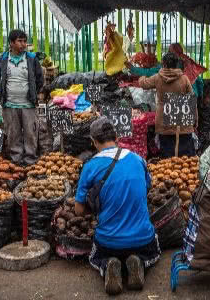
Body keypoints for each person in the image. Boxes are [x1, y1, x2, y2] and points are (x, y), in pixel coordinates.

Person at [74, 117, 160, 296]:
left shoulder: (90, 166)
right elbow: (146, 189)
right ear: (117, 137)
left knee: (98, 256)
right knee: (152, 252)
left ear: (94, 142)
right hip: (141, 239)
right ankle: (139, 262)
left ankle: (108, 266)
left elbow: (78, 211)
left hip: (108, 241)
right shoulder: (138, 159)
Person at [0, 29, 44, 165]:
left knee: (30, 133)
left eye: (24, 41)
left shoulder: (32, 58)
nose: (23, 44)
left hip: (28, 104)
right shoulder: (3, 59)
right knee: (13, 133)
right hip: (9, 104)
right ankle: (16, 160)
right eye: (19, 41)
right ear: (11, 43)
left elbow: (40, 79)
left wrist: (34, 93)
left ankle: (30, 160)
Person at [138, 52, 196, 158]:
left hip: (164, 123)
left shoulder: (157, 78)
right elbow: (191, 100)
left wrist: (142, 77)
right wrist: (195, 120)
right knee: (185, 158)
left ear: (163, 64)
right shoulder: (184, 79)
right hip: (182, 123)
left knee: (167, 156)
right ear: (176, 64)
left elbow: (144, 84)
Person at [128, 43, 206, 97]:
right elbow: (199, 84)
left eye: (169, 51)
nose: (168, 53)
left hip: (171, 105)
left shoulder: (162, 71)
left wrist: (132, 68)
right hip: (191, 101)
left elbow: (148, 75)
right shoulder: (188, 63)